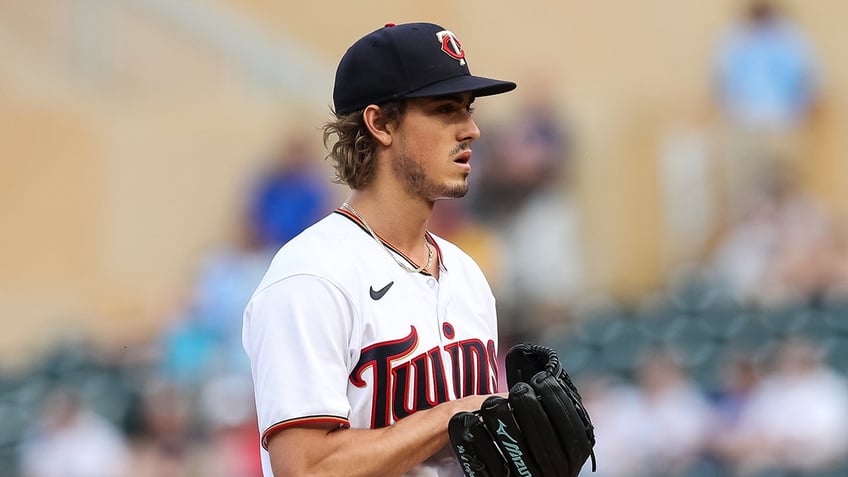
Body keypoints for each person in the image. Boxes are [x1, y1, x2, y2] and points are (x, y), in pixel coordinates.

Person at [241, 22, 516, 477]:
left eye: (467, 110)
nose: (471, 130)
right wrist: (452, 417)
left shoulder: (467, 274)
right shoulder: (311, 276)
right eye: (446, 109)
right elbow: (306, 468)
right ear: (380, 123)